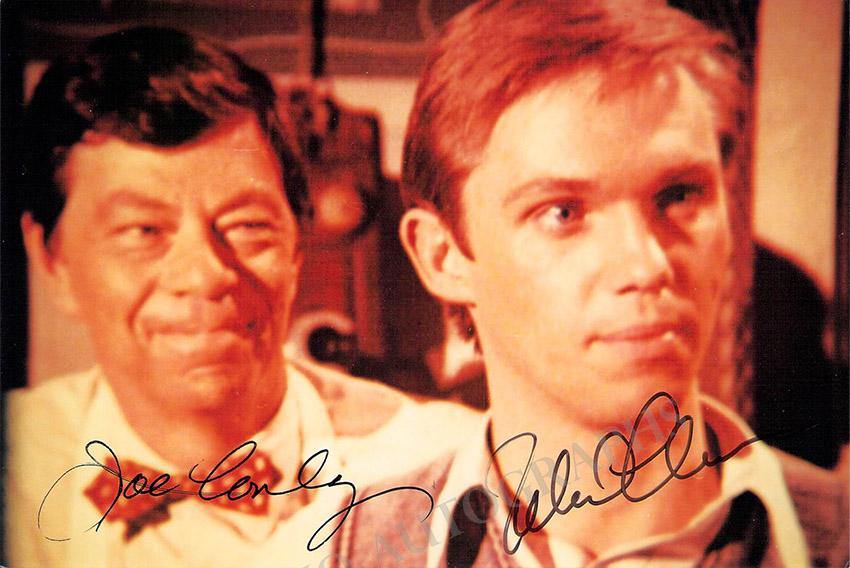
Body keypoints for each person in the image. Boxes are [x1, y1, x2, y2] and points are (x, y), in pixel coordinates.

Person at [331, 1, 848, 566]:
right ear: (443, 257)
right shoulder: (355, 551)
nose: (645, 265)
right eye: (563, 213)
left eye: (678, 195)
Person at [4, 26, 478, 567]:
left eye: (247, 226)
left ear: (296, 247)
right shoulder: (16, 469)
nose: (206, 275)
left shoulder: (444, 473)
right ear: (54, 263)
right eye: (144, 231)